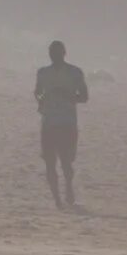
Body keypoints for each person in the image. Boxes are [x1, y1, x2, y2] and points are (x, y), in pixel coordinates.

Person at [34, 40, 89, 209]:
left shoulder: (75, 73)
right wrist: (44, 100)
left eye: (57, 53)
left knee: (66, 162)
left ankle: (69, 190)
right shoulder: (43, 73)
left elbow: (84, 97)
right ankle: (57, 199)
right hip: (49, 121)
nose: (55, 56)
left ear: (64, 53)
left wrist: (68, 96)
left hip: (67, 122)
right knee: (50, 162)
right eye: (52, 53)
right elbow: (37, 93)